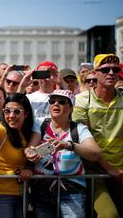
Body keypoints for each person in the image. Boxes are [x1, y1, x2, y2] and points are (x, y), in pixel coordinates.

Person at [25, 90, 102, 218]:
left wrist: (69, 145)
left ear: (71, 107)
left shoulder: (78, 129)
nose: (56, 104)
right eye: (52, 101)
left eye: (61, 102)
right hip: (42, 190)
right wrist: (30, 153)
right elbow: (30, 148)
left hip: (72, 192)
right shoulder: (40, 123)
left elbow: (96, 154)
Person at [72, 54, 123, 217]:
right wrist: (109, 169)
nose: (111, 73)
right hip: (93, 169)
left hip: (122, 169)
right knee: (109, 215)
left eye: (115, 69)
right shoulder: (82, 100)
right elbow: (85, 140)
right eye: (105, 69)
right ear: (95, 73)